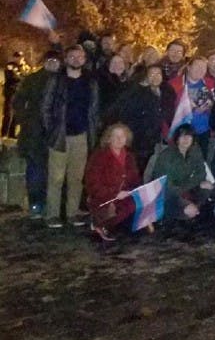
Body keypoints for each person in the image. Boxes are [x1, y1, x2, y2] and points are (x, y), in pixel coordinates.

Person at [42, 45, 100, 228]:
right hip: (60, 135)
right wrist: (51, 129)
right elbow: (45, 106)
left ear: (84, 59)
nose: (76, 59)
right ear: (66, 59)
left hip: (81, 135)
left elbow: (94, 108)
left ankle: (72, 213)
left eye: (80, 56)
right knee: (56, 178)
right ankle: (52, 214)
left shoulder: (90, 82)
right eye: (72, 56)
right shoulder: (56, 80)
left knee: (76, 178)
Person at [12, 50, 61, 217]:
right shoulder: (33, 80)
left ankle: (45, 203)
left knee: (50, 171)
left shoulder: (60, 80)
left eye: (56, 60)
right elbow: (18, 102)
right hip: (34, 133)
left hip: (53, 132)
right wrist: (25, 120)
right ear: (45, 61)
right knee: (36, 170)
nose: (54, 63)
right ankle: (36, 204)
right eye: (51, 60)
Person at [84, 123, 141, 242]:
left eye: (122, 136)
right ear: (109, 138)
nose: (119, 139)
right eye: (115, 136)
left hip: (125, 198)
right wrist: (114, 194)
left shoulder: (130, 157)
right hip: (105, 198)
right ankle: (100, 223)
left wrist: (131, 191)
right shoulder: (99, 157)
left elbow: (135, 180)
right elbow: (92, 184)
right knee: (115, 217)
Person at [106, 64, 166, 175]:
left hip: (151, 141)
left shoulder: (162, 92)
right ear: (146, 77)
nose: (155, 77)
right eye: (152, 74)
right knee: (134, 171)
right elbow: (127, 114)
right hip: (138, 142)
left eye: (158, 74)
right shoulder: (137, 92)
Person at [150, 123, 213, 227]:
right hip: (167, 194)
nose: (186, 139)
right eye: (182, 135)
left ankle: (192, 209)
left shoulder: (195, 151)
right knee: (189, 210)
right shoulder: (167, 156)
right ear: (177, 138)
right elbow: (166, 185)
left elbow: (201, 173)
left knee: (208, 186)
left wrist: (192, 185)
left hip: (185, 188)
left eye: (189, 136)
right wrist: (185, 195)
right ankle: (171, 214)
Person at [170, 57, 215, 158]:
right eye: (197, 66)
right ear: (189, 67)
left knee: (201, 161)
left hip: (203, 130)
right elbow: (169, 109)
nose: (200, 70)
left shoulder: (210, 83)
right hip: (182, 131)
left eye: (203, 67)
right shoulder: (175, 84)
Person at [3, 50, 28, 138]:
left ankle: (12, 134)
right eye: (18, 57)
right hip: (11, 92)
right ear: (14, 57)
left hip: (19, 94)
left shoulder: (24, 67)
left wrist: (22, 73)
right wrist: (21, 75)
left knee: (16, 115)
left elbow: (27, 76)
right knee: (8, 114)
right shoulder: (10, 65)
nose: (20, 59)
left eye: (21, 57)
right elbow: (13, 77)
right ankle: (4, 133)